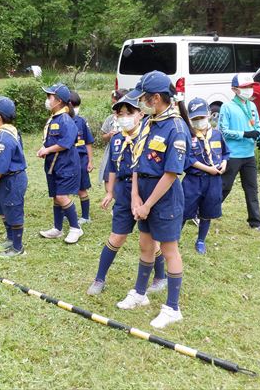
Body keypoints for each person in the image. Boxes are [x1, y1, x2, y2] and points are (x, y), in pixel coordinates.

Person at [118, 70, 192, 330]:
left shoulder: (176, 128)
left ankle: (172, 307)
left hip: (164, 197)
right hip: (144, 193)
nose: (141, 103)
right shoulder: (150, 122)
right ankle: (140, 293)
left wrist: (148, 204)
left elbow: (171, 173)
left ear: (157, 98)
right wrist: (136, 196)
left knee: (169, 249)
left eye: (144, 98)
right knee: (145, 244)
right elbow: (138, 161)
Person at [87, 95, 167, 295]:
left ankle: (160, 277)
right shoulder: (116, 139)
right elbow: (113, 168)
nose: (124, 117)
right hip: (123, 193)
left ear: (140, 114)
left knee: (149, 240)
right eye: (120, 113)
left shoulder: (148, 137)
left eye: (129, 113)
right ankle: (99, 279)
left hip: (145, 192)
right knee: (117, 236)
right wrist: (110, 191)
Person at [218, 74, 260, 232]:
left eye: (250, 87)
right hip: (233, 155)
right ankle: (201, 213)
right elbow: (223, 131)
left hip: (249, 155)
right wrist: (244, 134)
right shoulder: (227, 107)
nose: (249, 90)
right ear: (235, 89)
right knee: (224, 187)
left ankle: (256, 222)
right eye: (245, 87)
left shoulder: (252, 106)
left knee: (252, 188)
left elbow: (258, 125)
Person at [37, 83, 83, 244]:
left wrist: (47, 150)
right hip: (53, 166)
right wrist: (44, 148)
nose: (47, 100)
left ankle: (76, 228)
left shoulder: (65, 119)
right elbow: (52, 140)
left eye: (49, 97)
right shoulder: (54, 118)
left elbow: (66, 143)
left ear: (58, 101)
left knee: (62, 197)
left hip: (66, 166)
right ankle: (57, 228)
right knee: (56, 198)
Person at [183, 97, 230, 255]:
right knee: (184, 210)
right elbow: (188, 159)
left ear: (209, 115)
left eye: (201, 118)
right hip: (193, 180)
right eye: (195, 119)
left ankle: (201, 240)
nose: (199, 121)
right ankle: (174, 238)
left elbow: (226, 153)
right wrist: (207, 169)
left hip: (213, 181)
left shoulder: (217, 134)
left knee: (207, 211)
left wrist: (224, 163)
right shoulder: (188, 136)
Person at [0, 96, 28, 258]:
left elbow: (1, 166)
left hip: (12, 179)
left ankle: (18, 248)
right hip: (6, 178)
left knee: (14, 211)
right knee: (3, 209)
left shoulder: (4, 137)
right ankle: (10, 238)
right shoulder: (6, 131)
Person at [69, 91, 95, 225]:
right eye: (72, 105)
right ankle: (65, 214)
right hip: (66, 160)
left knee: (81, 189)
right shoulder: (61, 120)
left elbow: (88, 142)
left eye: (76, 105)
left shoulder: (82, 121)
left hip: (81, 159)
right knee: (64, 189)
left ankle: (85, 216)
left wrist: (90, 161)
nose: (75, 108)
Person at [97, 89, 128, 188]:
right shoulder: (110, 119)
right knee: (108, 180)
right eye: (113, 103)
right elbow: (103, 136)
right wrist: (109, 135)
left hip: (126, 152)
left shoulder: (130, 119)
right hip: (111, 152)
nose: (114, 106)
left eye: (116, 103)